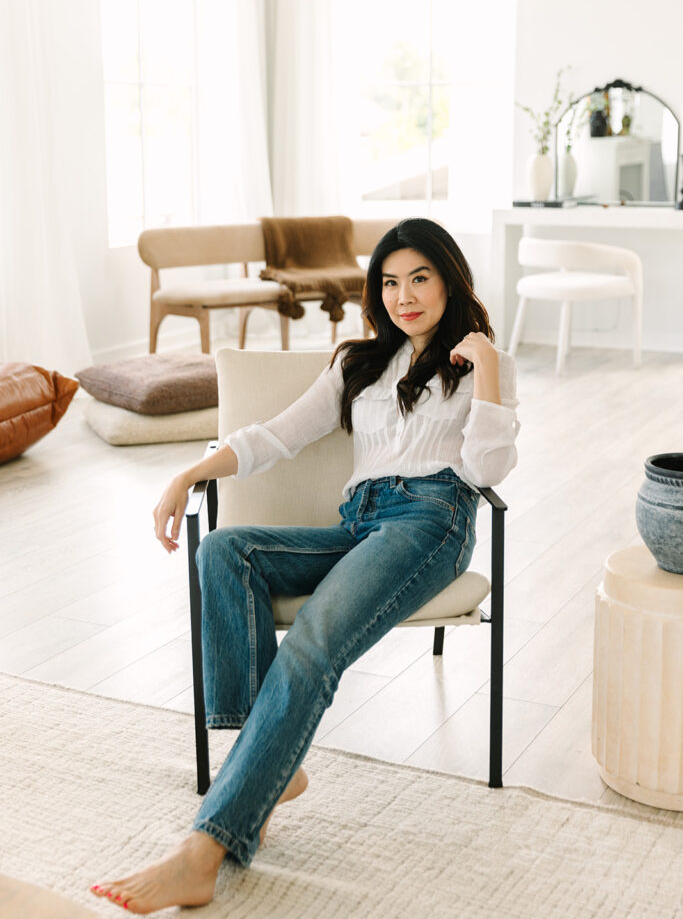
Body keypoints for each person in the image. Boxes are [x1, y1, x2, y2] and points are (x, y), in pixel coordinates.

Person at [90, 218, 519, 914]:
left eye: (419, 278)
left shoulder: (474, 364)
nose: (402, 296)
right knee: (225, 549)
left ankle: (203, 852)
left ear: (449, 281)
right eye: (388, 282)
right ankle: (270, 767)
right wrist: (191, 470)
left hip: (432, 521)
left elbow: (486, 469)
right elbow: (278, 435)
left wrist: (490, 369)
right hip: (358, 523)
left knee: (316, 639)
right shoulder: (357, 363)